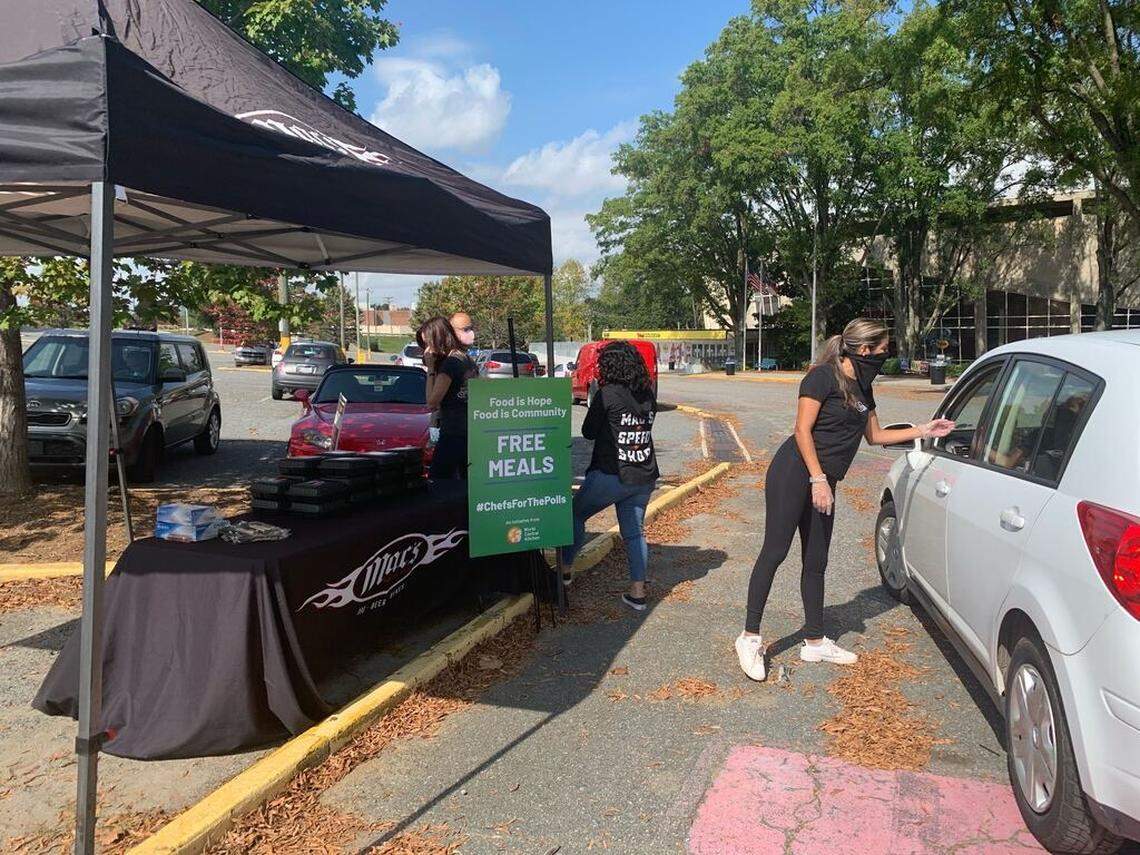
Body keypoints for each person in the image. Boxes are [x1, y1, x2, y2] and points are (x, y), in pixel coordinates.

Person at [735, 318, 955, 681]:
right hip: (794, 472)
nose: (885, 356)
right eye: (883, 350)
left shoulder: (864, 387)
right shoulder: (821, 377)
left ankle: (815, 641)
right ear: (864, 350)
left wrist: (925, 429)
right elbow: (801, 431)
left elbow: (876, 435)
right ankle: (749, 637)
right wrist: (818, 479)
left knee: (816, 559)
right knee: (775, 551)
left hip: (825, 479)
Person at [561, 341, 660, 612]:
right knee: (635, 533)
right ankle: (637, 592)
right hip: (644, 474)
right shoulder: (647, 393)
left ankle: (565, 571)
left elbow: (589, 431)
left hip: (611, 474)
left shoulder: (607, 394)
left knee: (575, 515)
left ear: (610, 365)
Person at [418, 316, 478, 480]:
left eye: (428, 343)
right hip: (469, 430)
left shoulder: (450, 364)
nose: (427, 349)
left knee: (438, 479)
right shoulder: (465, 358)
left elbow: (431, 402)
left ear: (437, 339)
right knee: (465, 480)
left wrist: (430, 368)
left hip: (453, 431)